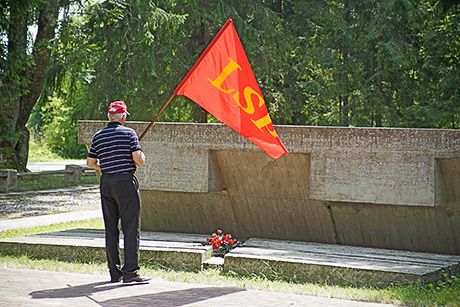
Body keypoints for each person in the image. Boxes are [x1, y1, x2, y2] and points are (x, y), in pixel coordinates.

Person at [87, 101, 150, 284]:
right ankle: (130, 272)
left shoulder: (98, 135)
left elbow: (91, 163)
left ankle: (114, 272)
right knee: (130, 228)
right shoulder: (129, 133)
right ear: (123, 117)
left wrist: (104, 166)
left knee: (111, 228)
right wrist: (141, 153)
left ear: (109, 117)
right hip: (125, 183)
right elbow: (139, 160)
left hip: (106, 182)